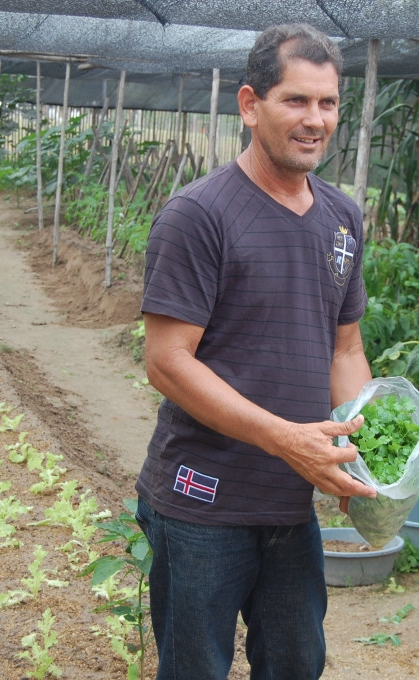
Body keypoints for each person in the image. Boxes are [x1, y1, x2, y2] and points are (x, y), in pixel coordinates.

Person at [134, 23, 376, 680]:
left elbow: (345, 348)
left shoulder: (342, 218)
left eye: (327, 104)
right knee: (196, 669)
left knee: (297, 662)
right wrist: (283, 439)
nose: (315, 120)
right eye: (296, 101)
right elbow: (167, 361)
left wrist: (367, 458)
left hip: (290, 502)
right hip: (202, 500)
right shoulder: (199, 214)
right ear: (250, 105)